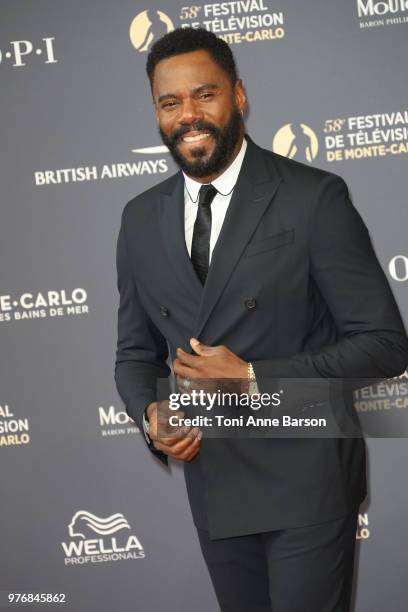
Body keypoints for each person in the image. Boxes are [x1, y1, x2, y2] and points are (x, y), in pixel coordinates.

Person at [114, 27, 408, 612]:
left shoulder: (312, 197)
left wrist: (252, 379)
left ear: (239, 97)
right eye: (170, 103)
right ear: (156, 112)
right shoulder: (140, 218)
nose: (188, 116)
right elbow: (134, 355)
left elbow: (384, 344)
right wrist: (151, 416)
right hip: (217, 485)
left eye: (205, 95)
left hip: (308, 482)